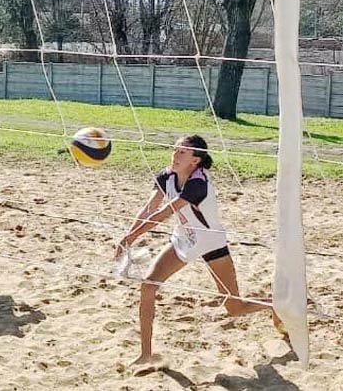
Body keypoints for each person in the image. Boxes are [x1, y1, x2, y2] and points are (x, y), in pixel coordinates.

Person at [114, 135, 282, 365]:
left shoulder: (198, 183)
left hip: (210, 243)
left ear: (195, 160)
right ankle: (146, 355)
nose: (175, 155)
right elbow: (148, 209)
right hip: (183, 239)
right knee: (148, 286)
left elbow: (163, 214)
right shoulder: (166, 176)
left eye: (182, 152)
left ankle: (275, 303)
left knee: (234, 307)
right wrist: (127, 237)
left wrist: (131, 237)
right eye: (175, 150)